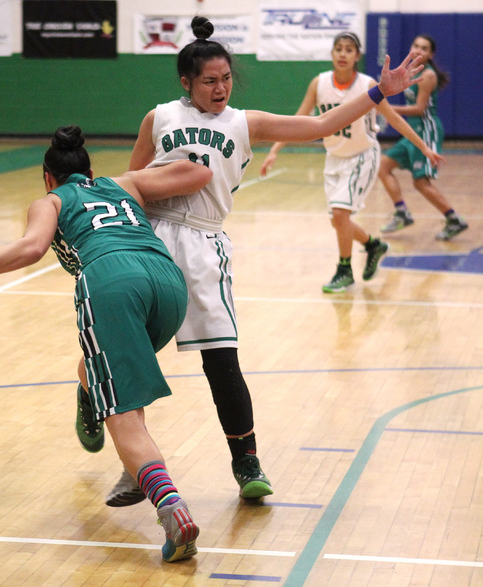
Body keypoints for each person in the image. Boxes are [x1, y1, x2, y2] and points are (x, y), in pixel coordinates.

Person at [82, 15, 425, 506]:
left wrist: (378, 93)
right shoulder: (158, 118)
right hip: (151, 243)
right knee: (128, 356)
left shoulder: (244, 122)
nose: (220, 88)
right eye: (209, 81)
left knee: (221, 361)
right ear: (186, 83)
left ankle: (247, 463)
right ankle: (129, 463)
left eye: (226, 79)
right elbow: (131, 181)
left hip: (203, 246)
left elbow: (320, 124)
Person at [0, 125, 214, 563]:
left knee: (122, 413)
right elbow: (198, 173)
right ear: (90, 171)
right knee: (103, 373)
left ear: (47, 177)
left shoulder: (49, 200)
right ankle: (103, 413)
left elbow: (32, 248)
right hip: (167, 282)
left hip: (111, 281)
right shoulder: (122, 183)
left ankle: (171, 508)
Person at [260, 32, 444, 293]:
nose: (343, 54)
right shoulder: (319, 83)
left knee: (340, 214)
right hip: (334, 157)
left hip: (362, 156)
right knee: (339, 221)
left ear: (357, 56)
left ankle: (344, 269)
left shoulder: (368, 84)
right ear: (333, 54)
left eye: (349, 50)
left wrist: (424, 147)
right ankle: (373, 245)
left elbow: (393, 118)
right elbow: (300, 118)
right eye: (338, 49)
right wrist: (274, 150)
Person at [379, 34, 467, 241]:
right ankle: (401, 212)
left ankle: (453, 219)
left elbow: (419, 109)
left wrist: (387, 109)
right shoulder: (409, 72)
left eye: (424, 48)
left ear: (430, 54)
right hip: (413, 130)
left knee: (420, 182)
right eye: (416, 46)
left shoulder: (428, 75)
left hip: (426, 129)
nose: (418, 50)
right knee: (383, 166)